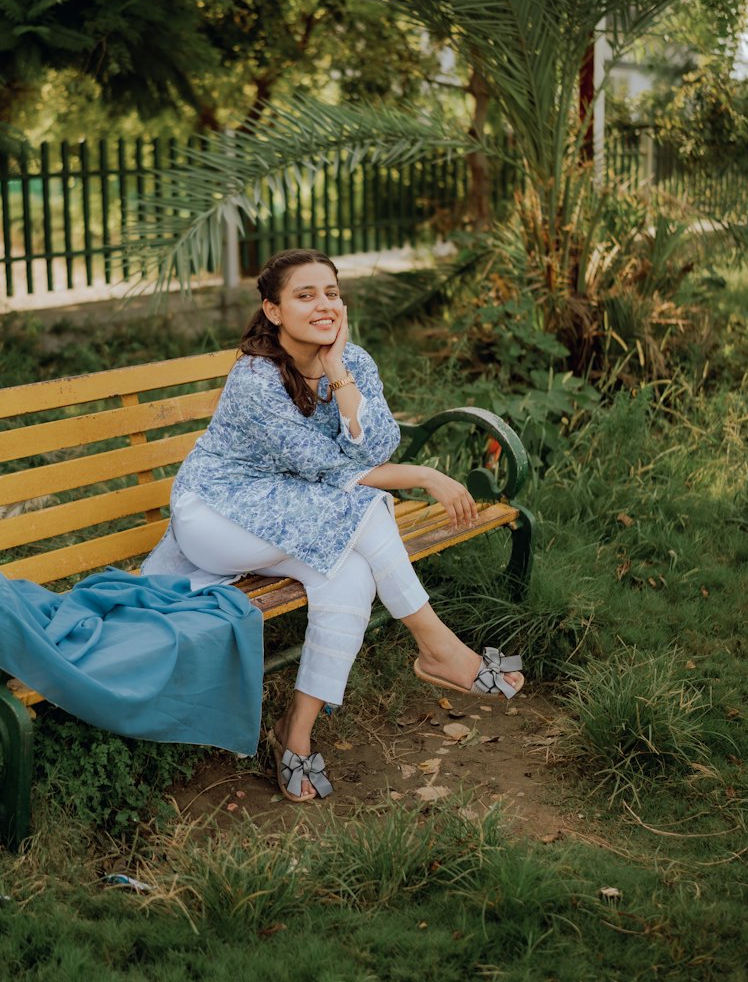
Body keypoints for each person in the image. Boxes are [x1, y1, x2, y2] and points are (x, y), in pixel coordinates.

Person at [143, 248, 524, 803]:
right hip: (217, 514)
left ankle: (292, 734)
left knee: (347, 578)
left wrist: (340, 369)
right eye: (305, 295)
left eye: (331, 292)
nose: (324, 304)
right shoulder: (255, 379)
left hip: (294, 510)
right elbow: (329, 468)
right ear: (273, 311)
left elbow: (377, 443)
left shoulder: (353, 360)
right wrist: (421, 474)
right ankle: (439, 648)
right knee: (368, 509)